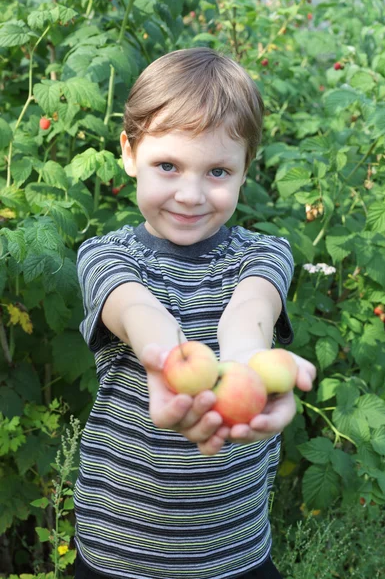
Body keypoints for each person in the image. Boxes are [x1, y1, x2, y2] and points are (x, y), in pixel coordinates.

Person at [74, 47, 316, 579]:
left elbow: (249, 314)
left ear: (245, 171)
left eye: (217, 172)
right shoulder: (106, 256)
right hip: (120, 547)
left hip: (234, 551)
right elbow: (136, 309)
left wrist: (250, 362)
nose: (190, 194)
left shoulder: (264, 254)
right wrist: (166, 357)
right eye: (168, 165)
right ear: (129, 153)